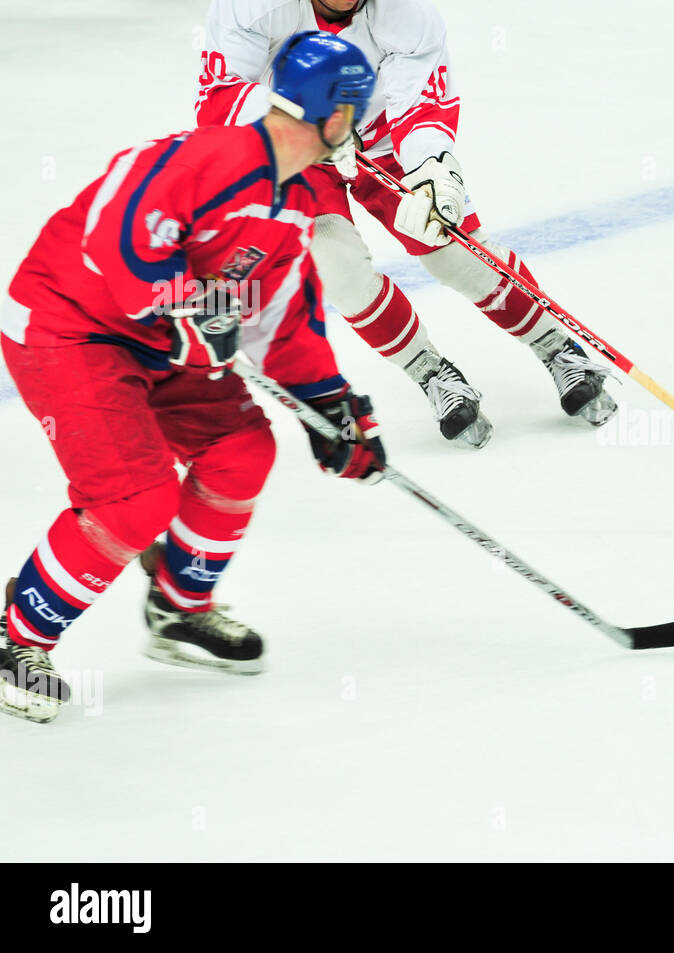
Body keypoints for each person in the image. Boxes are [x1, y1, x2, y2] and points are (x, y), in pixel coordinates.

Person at [0, 32, 386, 724]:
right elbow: (119, 235)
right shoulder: (209, 156)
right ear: (334, 115)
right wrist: (179, 303)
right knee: (135, 499)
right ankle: (15, 635)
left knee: (241, 449)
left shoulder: (292, 204)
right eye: (356, 112)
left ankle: (179, 606)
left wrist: (330, 407)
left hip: (165, 345)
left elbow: (282, 324)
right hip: (70, 327)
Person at [196, 0, 618, 450]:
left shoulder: (408, 13)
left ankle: (557, 347)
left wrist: (435, 170)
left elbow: (419, 107)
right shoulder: (251, 8)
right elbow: (220, 101)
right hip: (296, 152)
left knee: (454, 250)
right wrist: (303, 128)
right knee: (336, 267)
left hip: (383, 138)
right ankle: (429, 371)